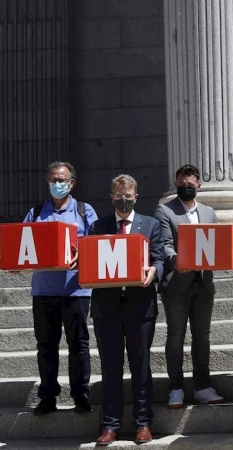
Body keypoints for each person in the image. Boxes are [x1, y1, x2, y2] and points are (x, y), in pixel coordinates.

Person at [90, 174, 165, 446]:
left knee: (141, 366)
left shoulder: (151, 224)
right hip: (107, 307)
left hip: (139, 305)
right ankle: (110, 425)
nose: (124, 199)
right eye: (119, 195)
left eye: (129, 195)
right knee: (111, 368)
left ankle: (142, 422)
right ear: (111, 196)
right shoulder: (98, 226)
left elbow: (159, 255)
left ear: (136, 196)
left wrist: (154, 270)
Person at [23, 161, 97, 416]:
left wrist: (83, 256)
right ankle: (48, 397)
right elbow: (24, 246)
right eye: (53, 179)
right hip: (44, 291)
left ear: (72, 182)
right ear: (48, 182)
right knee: (46, 346)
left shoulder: (85, 211)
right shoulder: (35, 212)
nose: (58, 183)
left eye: (62, 179)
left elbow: (98, 246)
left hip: (76, 290)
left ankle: (80, 395)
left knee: (79, 345)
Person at [154, 164, 224, 408]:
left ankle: (203, 386)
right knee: (176, 336)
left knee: (202, 337)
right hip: (177, 283)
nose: (185, 188)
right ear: (176, 184)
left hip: (204, 283)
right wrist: (176, 262)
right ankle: (176, 387)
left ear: (199, 187)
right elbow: (165, 244)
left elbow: (216, 244)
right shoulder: (165, 211)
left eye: (190, 186)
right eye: (181, 185)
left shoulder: (209, 212)